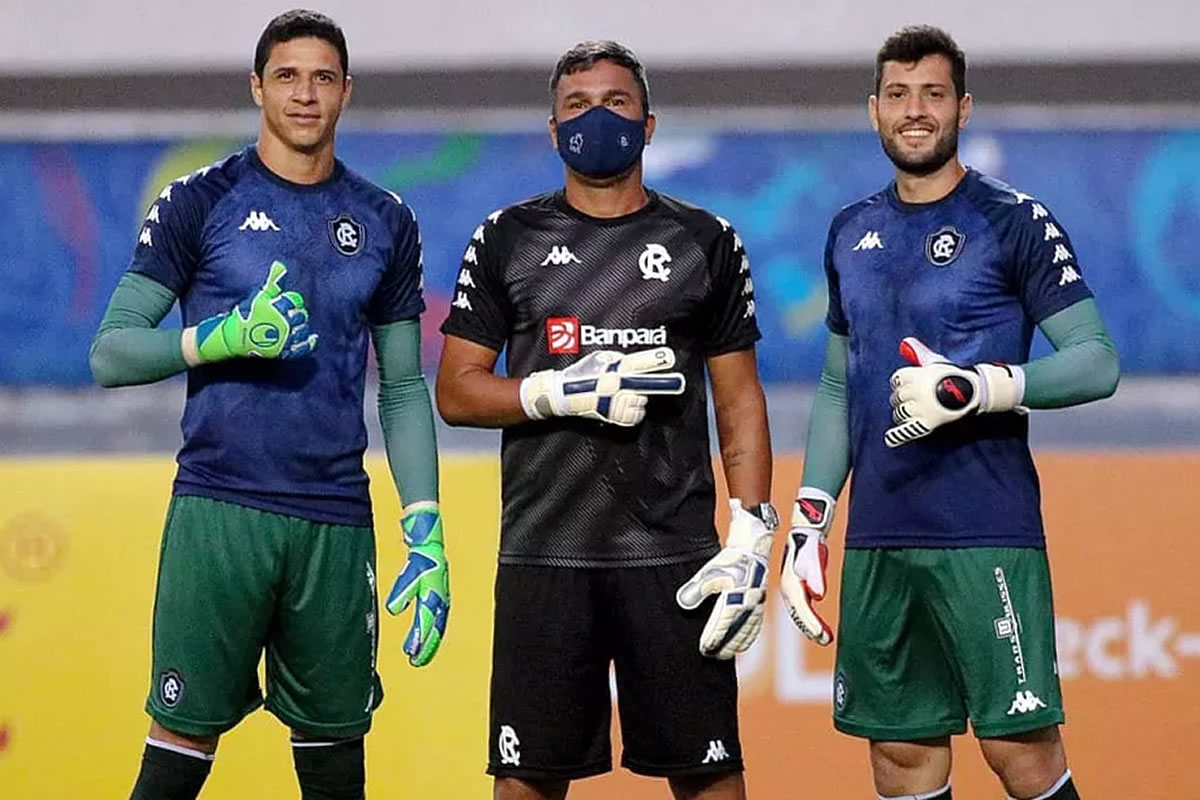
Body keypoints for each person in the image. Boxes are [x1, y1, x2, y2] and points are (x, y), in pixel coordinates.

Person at [89, 10, 449, 800]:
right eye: (287, 75)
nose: (305, 94)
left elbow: (401, 387)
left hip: (335, 523)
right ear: (257, 87)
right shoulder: (201, 200)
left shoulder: (387, 220)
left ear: (347, 92)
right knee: (178, 748)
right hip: (220, 512)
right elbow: (112, 351)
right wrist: (217, 338)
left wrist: (424, 529)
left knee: (334, 765)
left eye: (323, 77)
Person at [778, 25, 1119, 800]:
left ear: (962, 106)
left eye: (933, 94)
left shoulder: (1015, 221)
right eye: (898, 95)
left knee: (1021, 754)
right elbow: (840, 388)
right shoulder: (848, 231)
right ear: (874, 110)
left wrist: (977, 388)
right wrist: (810, 522)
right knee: (899, 757)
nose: (915, 111)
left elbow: (1097, 360)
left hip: (984, 530)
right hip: (879, 536)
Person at [437, 40, 775, 800]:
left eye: (617, 103)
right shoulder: (507, 239)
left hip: (677, 558)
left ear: (648, 125)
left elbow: (739, 398)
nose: (598, 118)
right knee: (525, 784)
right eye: (577, 106)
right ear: (554, 131)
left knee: (711, 778)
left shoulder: (706, 241)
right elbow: (456, 392)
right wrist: (559, 393)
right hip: (544, 554)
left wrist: (753, 531)